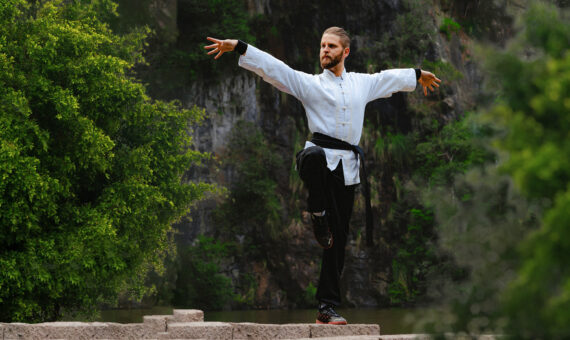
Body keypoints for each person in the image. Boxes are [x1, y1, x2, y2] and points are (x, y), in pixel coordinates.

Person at [205, 27, 441, 325]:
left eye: (330, 46)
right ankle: (317, 212)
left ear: (345, 52)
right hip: (316, 162)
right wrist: (239, 47)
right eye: (321, 46)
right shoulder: (310, 84)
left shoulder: (360, 84)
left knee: (338, 240)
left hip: (348, 168)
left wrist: (419, 74)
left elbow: (386, 78)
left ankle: (326, 308)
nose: (324, 51)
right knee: (314, 154)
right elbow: (275, 69)